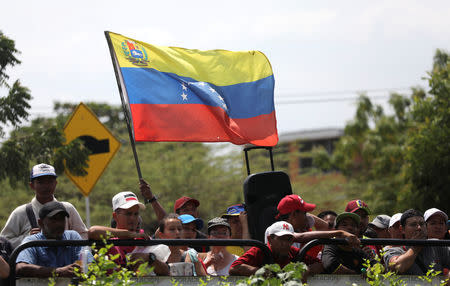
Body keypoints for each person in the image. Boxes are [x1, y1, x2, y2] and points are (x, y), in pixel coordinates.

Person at [1, 163, 88, 249]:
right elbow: (4, 242)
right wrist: (27, 238)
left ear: (55, 183)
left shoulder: (68, 209)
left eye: (50, 182)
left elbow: (83, 235)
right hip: (30, 262)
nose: (46, 186)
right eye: (41, 182)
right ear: (32, 185)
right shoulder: (20, 213)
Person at [88, 191, 169, 275]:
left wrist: (150, 258)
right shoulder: (107, 240)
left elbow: (166, 272)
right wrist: (128, 234)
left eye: (136, 214)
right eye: (128, 214)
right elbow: (92, 231)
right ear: (115, 216)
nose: (133, 218)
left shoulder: (144, 239)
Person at [15, 201, 93, 278]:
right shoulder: (32, 242)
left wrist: (85, 268)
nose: (59, 224)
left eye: (62, 219)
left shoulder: (73, 236)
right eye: (54, 220)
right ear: (41, 223)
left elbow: (89, 263)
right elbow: (21, 267)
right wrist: (57, 272)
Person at [384, 209, 450, 278]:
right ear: (402, 229)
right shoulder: (393, 250)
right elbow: (398, 267)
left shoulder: (436, 245)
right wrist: (415, 248)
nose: (419, 228)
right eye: (413, 225)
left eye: (422, 224)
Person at [229, 221, 301, 276]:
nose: (285, 243)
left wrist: (307, 270)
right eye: (281, 239)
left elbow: (312, 264)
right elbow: (234, 267)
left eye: (289, 239)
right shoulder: (259, 251)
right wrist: (261, 272)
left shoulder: (295, 252)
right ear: (270, 239)